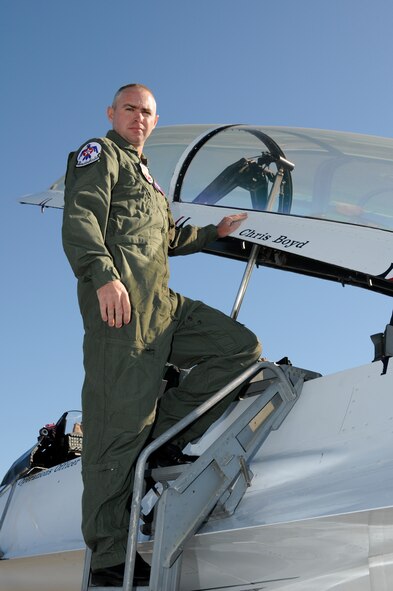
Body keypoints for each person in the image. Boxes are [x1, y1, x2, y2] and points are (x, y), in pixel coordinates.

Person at [62, 83, 261, 587]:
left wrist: (214, 232)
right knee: (115, 432)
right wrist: (101, 274)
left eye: (146, 112)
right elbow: (81, 215)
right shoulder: (99, 154)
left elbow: (167, 237)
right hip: (121, 312)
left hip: (164, 306)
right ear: (112, 112)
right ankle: (110, 556)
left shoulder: (149, 179)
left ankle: (166, 433)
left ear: (154, 120)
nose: (138, 117)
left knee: (240, 349)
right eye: (129, 108)